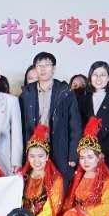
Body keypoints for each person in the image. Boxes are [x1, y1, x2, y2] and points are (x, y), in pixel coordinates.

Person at [21, 51, 82, 182]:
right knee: (36, 186)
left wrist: (73, 155)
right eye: (39, 65)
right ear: (35, 68)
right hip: (35, 150)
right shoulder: (27, 93)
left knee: (59, 185)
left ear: (53, 68)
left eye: (47, 65)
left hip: (59, 147)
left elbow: (75, 126)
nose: (43, 69)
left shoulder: (65, 92)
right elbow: (21, 126)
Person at [77, 61, 109, 216]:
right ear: (90, 77)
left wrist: (100, 153)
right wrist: (88, 152)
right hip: (87, 154)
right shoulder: (83, 99)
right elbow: (80, 126)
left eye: (103, 75)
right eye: (95, 75)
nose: (98, 78)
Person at [19, 124, 63, 216]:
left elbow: (52, 209)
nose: (36, 161)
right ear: (27, 157)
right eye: (32, 156)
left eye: (40, 156)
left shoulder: (55, 180)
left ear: (47, 157)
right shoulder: (23, 177)